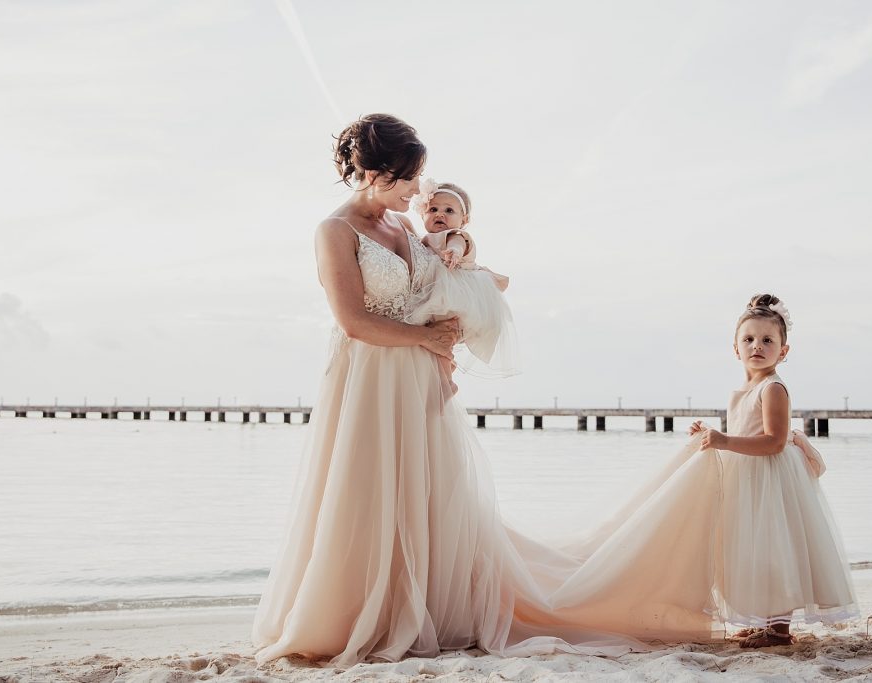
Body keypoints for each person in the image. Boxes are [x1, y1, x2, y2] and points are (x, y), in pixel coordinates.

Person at [250, 114, 643, 667]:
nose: (417, 192)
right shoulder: (334, 231)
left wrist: (461, 263)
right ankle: (360, 611)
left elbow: (445, 279)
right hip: (369, 375)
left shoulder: (406, 228)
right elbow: (354, 320)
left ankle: (428, 605)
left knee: (433, 488)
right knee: (370, 486)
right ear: (376, 171)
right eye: (409, 179)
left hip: (418, 372)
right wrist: (425, 337)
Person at [689, 294, 858, 647]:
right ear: (735, 348)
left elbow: (773, 442)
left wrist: (724, 440)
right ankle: (765, 620)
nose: (757, 346)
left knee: (775, 548)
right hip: (748, 478)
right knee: (753, 548)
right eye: (748, 339)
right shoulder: (743, 389)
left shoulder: (773, 388)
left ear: (783, 351)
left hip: (771, 478)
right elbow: (741, 434)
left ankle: (779, 628)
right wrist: (711, 438)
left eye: (768, 340)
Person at [406, 179, 518, 390]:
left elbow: (457, 243)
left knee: (444, 337)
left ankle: (445, 381)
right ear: (422, 214)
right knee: (437, 339)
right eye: (433, 209)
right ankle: (444, 374)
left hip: (453, 294)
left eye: (449, 210)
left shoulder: (455, 236)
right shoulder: (423, 239)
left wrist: (455, 252)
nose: (440, 214)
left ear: (463, 220)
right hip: (439, 294)